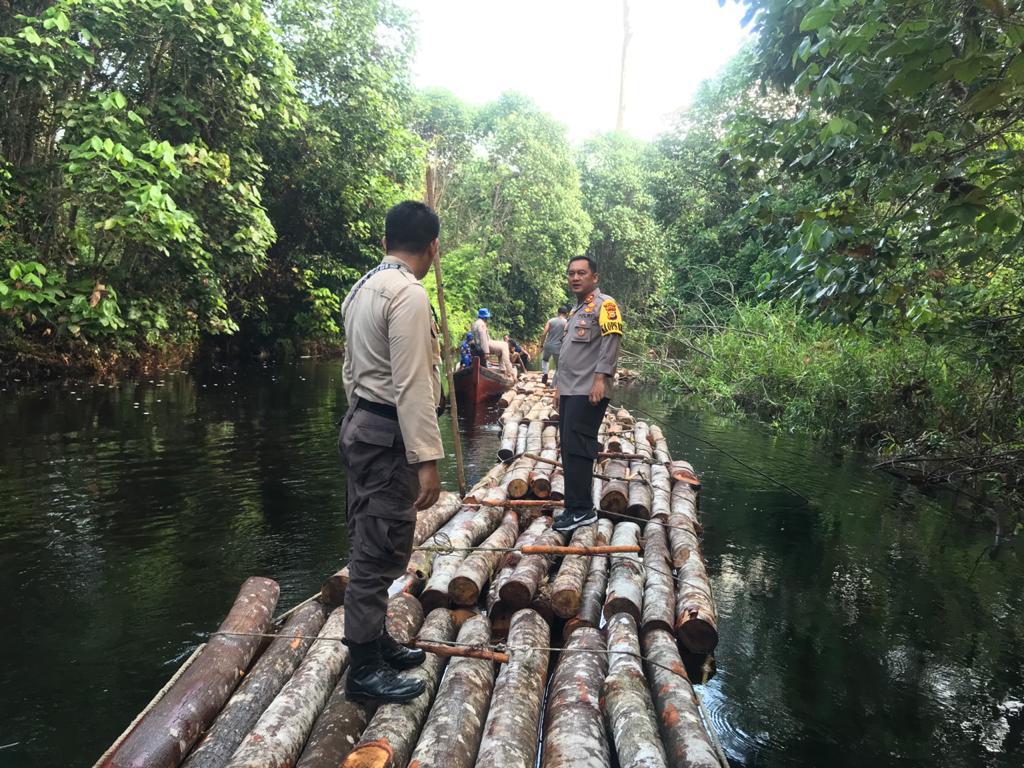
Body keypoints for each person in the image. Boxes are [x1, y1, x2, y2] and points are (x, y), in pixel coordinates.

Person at [338, 200, 445, 702]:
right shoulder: (407, 294)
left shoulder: (361, 289)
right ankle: (362, 668)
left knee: (373, 534)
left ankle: (375, 639)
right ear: (431, 248)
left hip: (362, 425)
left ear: (385, 242)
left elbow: (350, 372)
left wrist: (359, 424)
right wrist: (427, 459)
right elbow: (413, 384)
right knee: (377, 547)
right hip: (386, 435)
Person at [551, 256, 622, 534]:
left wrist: (601, 379)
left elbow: (612, 340)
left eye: (582, 273)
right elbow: (568, 354)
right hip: (571, 389)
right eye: (571, 273)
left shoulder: (606, 305)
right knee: (568, 446)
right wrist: (558, 386)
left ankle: (583, 510)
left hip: (589, 389)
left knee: (580, 446)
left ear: (595, 277)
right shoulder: (575, 310)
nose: (575, 278)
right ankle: (574, 506)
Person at [471, 307, 516, 379]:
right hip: (484, 345)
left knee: (501, 351)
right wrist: (486, 352)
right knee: (504, 346)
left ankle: (502, 369)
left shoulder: (475, 323)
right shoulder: (481, 324)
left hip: (478, 345)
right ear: (485, 317)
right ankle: (509, 371)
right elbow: (483, 339)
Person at [538, 305, 570, 386]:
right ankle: (553, 384)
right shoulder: (566, 322)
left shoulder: (551, 321)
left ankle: (545, 374)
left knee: (545, 360)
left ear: (558, 312)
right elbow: (566, 335)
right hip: (558, 347)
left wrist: (541, 345)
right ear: (566, 313)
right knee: (558, 367)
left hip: (548, 345)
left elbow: (544, 333)